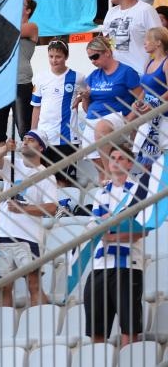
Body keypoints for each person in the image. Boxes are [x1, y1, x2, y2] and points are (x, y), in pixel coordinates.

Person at [83, 144, 148, 348]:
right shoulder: (102, 192)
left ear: (130, 164)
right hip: (101, 265)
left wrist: (111, 236)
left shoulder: (139, 191)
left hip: (128, 265)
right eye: (113, 157)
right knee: (97, 330)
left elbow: (140, 231)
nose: (116, 161)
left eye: (121, 158)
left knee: (129, 328)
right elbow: (93, 227)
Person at [0, 130, 59, 307]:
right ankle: (4, 328)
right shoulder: (13, 163)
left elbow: (52, 208)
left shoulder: (47, 175)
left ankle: (42, 321)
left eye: (31, 140)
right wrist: (6, 147)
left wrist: (24, 208)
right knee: (4, 286)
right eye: (25, 139)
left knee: (33, 285)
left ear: (41, 148)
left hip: (28, 237)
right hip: (4, 233)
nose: (26, 142)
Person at [75, 36, 142, 180]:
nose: (93, 61)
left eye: (95, 56)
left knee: (101, 128)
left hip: (117, 117)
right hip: (93, 119)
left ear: (107, 52)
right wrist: (85, 97)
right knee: (96, 164)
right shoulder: (93, 76)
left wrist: (130, 118)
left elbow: (141, 96)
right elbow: (87, 110)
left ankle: (110, 177)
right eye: (90, 58)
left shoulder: (126, 72)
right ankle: (108, 186)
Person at [30, 39, 85, 185]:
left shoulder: (78, 77)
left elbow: (87, 95)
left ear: (66, 57)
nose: (54, 60)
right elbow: (36, 107)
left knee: (63, 182)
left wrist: (82, 98)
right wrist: (32, 133)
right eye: (51, 56)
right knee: (43, 181)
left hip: (67, 138)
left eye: (58, 56)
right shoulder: (40, 78)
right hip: (44, 138)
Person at [0, 0, 38, 152]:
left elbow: (7, 30)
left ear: (28, 10)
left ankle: (31, 170)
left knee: (25, 131)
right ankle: (2, 173)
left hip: (20, 83)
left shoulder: (31, 27)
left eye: (20, 3)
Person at [102, 0, 161, 75]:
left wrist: (154, 71)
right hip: (116, 76)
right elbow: (107, 42)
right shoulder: (111, 12)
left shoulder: (146, 10)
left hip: (140, 74)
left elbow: (160, 42)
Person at [132, 27, 168, 168]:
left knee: (162, 161)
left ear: (158, 42)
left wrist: (156, 102)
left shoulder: (166, 63)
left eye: (147, 40)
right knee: (141, 155)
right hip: (149, 117)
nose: (145, 43)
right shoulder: (149, 62)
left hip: (164, 117)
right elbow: (145, 90)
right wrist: (138, 101)